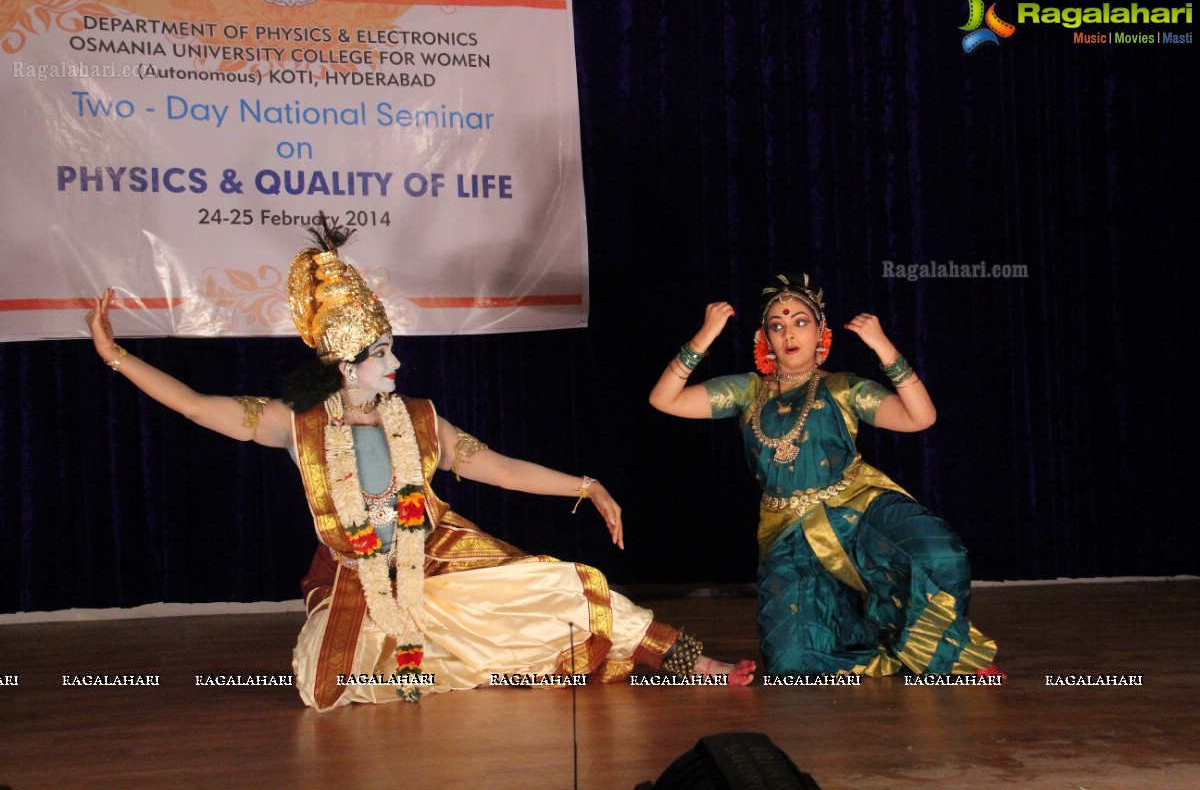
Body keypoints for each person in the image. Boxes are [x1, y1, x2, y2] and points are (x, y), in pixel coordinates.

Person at [86, 220, 754, 710]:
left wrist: (586, 484)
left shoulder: (424, 419)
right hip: (356, 582)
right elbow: (200, 407)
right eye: (383, 357)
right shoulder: (297, 421)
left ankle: (694, 662)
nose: (397, 366)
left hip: (441, 565)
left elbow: (497, 466)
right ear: (347, 366)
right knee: (325, 687)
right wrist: (117, 357)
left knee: (569, 587)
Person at [649, 273, 998, 678]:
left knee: (938, 553)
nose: (789, 334)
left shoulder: (842, 389)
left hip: (859, 508)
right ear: (765, 339)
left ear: (821, 334)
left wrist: (882, 346)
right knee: (791, 665)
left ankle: (939, 656)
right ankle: (872, 651)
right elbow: (664, 399)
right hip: (788, 531)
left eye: (800, 322)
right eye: (777, 326)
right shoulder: (747, 391)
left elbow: (921, 418)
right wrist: (704, 337)